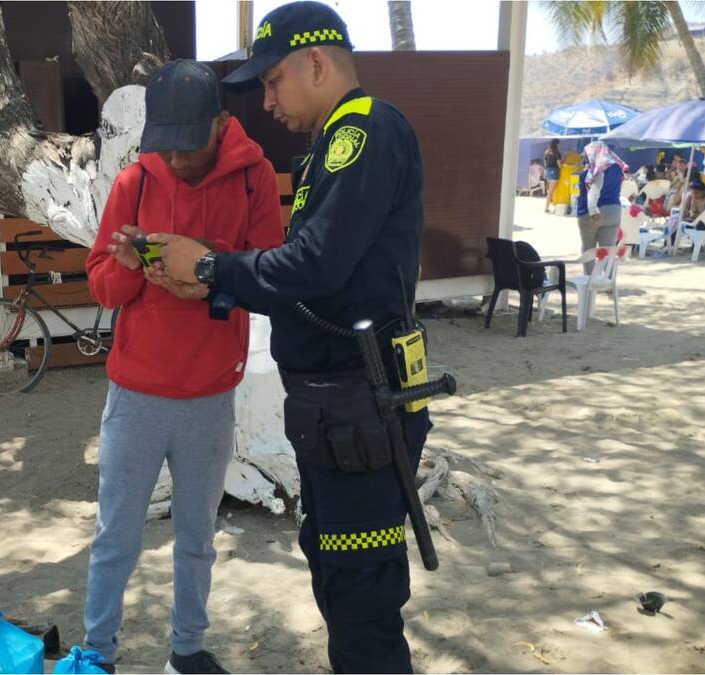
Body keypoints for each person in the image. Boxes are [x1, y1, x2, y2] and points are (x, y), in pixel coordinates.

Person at [150, 2, 430, 671]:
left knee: (360, 598)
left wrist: (212, 268)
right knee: (336, 575)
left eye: (273, 82)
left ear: (316, 62)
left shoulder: (364, 131)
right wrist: (214, 283)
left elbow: (313, 266)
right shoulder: (327, 149)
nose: (267, 102)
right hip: (334, 409)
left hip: (360, 405)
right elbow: (307, 277)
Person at [81, 59, 284, 675]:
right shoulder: (134, 182)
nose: (176, 160)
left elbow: (269, 272)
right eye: (164, 146)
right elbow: (101, 286)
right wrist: (128, 266)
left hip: (209, 395)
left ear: (220, 124)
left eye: (188, 146)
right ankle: (97, 654)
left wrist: (206, 265)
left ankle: (187, 652)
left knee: (197, 539)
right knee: (116, 536)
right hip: (136, 394)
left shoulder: (254, 179)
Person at [576, 141, 627, 270]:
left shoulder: (594, 170)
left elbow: (592, 192)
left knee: (589, 250)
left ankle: (589, 278)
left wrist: (593, 211)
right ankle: (608, 279)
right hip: (614, 211)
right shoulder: (618, 168)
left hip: (592, 213)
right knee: (608, 251)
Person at [543, 139, 562, 213]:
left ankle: (548, 207)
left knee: (550, 191)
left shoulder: (546, 152)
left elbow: (545, 164)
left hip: (548, 172)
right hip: (554, 173)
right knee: (552, 192)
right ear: (556, 145)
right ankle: (548, 208)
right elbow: (559, 165)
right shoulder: (556, 153)